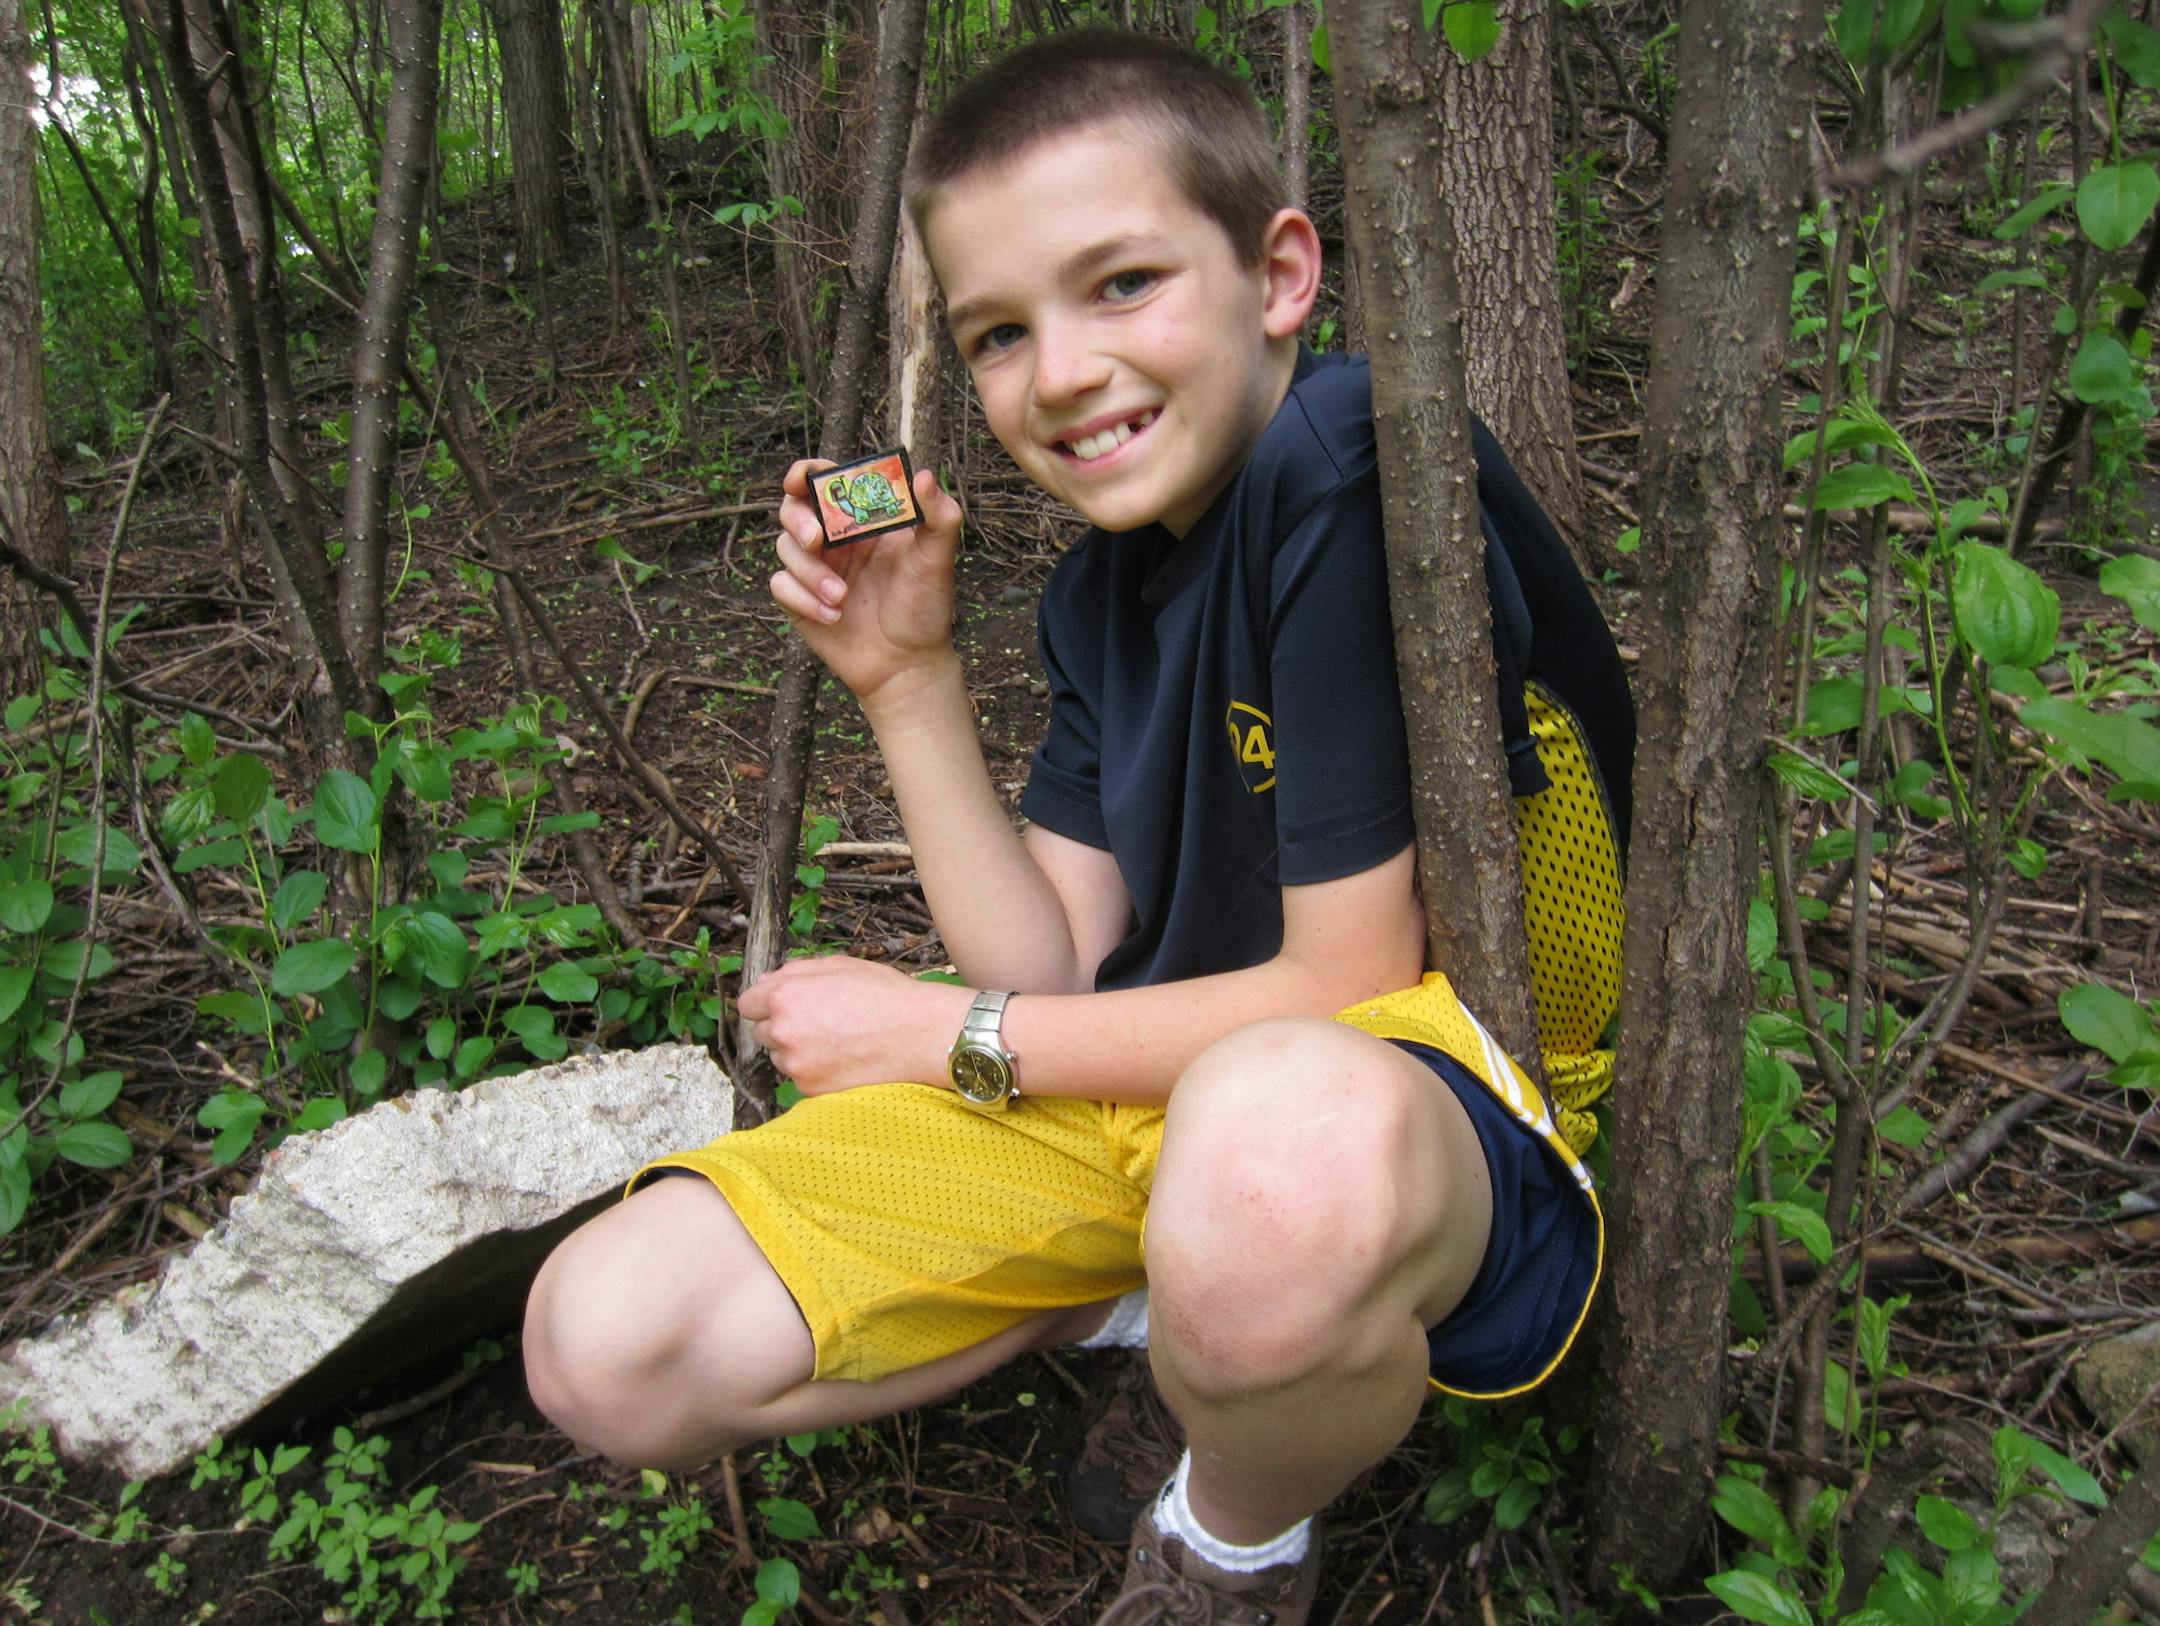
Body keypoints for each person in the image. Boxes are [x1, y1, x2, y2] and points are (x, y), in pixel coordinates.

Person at [523, 28, 1633, 1624]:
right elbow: (1049, 963)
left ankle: (1227, 1541)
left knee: (1268, 1168)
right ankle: (1172, 1297)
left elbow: (1342, 985)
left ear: (1280, 274)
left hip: (1423, 1109)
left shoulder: (1346, 463)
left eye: (1122, 284)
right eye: (999, 332)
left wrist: (942, 1034)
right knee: (606, 1341)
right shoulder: (1100, 591)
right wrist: (908, 679)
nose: (1057, 374)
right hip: (1159, 1099)